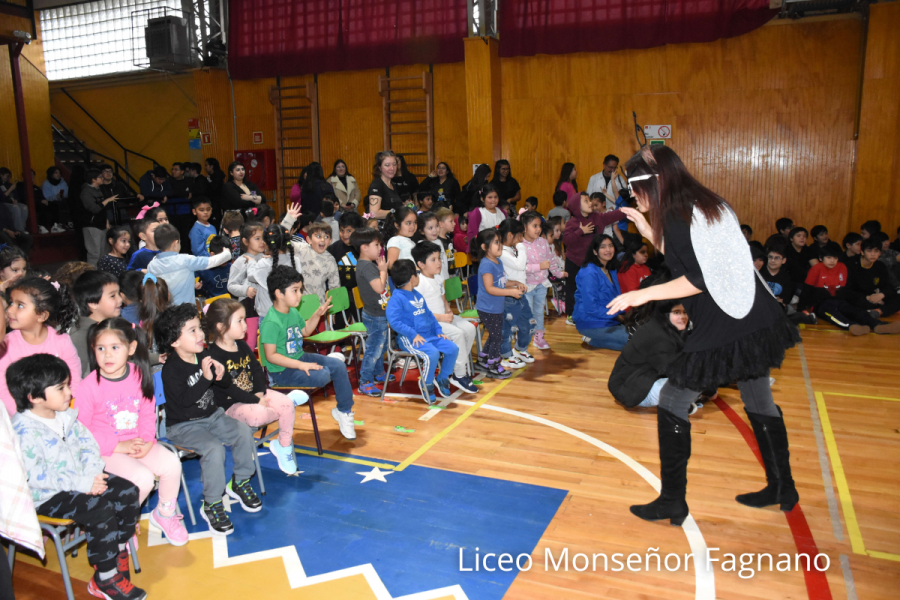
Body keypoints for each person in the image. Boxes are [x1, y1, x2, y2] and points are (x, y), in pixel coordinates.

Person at [607, 145, 801, 526]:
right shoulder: (699, 204)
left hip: (726, 322)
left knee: (673, 401)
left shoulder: (679, 216)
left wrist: (640, 293)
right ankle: (783, 486)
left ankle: (672, 501)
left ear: (655, 183)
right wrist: (649, 232)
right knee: (758, 398)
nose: (633, 195)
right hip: (755, 315)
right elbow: (692, 258)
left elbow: (696, 278)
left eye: (635, 186)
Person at [9, 355, 146, 600]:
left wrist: (93, 474)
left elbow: (89, 447)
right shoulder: (22, 430)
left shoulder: (65, 417)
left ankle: (116, 551)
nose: (69, 392)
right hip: (48, 495)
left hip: (83, 480)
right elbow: (37, 476)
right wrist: (82, 483)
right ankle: (104, 578)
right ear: (34, 397)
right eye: (61, 388)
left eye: (68, 385)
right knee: (99, 508)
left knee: (127, 492)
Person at [75, 317, 188, 546]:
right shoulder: (87, 386)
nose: (107, 355)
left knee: (171, 463)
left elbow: (148, 412)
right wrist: (118, 446)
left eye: (115, 347)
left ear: (131, 348)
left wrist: (148, 439)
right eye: (100, 348)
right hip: (105, 450)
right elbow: (82, 433)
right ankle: (122, 521)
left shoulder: (138, 373)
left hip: (137, 442)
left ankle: (164, 514)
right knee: (142, 479)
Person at [157, 302, 262, 536]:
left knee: (243, 432)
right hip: (183, 426)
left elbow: (221, 384)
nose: (201, 334)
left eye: (199, 328)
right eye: (192, 331)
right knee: (214, 449)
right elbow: (185, 400)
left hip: (212, 416)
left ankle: (240, 481)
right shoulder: (171, 369)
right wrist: (206, 379)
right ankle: (212, 503)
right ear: (175, 341)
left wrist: (221, 376)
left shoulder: (203, 354)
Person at [206, 298, 306, 475]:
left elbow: (257, 371)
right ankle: (285, 406)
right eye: (239, 321)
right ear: (221, 327)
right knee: (260, 416)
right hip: (232, 405)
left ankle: (283, 445)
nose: (245, 325)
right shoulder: (213, 356)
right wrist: (255, 400)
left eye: (244, 319)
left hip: (256, 395)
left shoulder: (242, 345)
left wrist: (259, 394)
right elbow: (229, 389)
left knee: (285, 405)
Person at [260, 266, 357, 439]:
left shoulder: (292, 312)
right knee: (323, 375)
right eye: (295, 290)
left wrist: (317, 315)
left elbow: (305, 331)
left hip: (300, 357)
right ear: (279, 293)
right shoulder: (271, 322)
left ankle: (344, 411)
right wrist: (301, 365)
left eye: (300, 290)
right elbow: (271, 356)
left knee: (338, 366)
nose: (300, 295)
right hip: (282, 372)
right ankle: (325, 364)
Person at [0, 277, 82, 416]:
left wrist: (63, 411)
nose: (9, 310)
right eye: (11, 303)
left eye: (20, 305)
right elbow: (4, 391)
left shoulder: (61, 341)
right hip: (21, 417)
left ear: (42, 315)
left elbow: (74, 381)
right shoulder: (5, 344)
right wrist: (26, 416)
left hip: (59, 412)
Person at [387, 259, 459, 404]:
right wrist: (413, 334)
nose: (418, 276)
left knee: (452, 348)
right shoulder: (396, 298)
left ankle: (442, 378)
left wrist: (438, 330)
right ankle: (426, 383)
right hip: (410, 339)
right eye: (417, 273)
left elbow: (429, 315)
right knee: (432, 354)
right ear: (411, 278)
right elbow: (394, 322)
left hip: (429, 335)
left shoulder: (417, 295)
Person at [412, 243, 479, 394]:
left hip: (443, 317)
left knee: (469, 328)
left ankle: (456, 370)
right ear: (421, 264)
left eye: (439, 258)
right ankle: (460, 374)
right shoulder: (418, 283)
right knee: (458, 334)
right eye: (433, 260)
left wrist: (448, 310)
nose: (439, 262)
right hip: (430, 323)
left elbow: (441, 296)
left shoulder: (437, 277)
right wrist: (441, 317)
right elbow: (418, 313)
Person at [608, 299, 691, 409]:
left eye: (685, 312)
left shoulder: (667, 327)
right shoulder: (659, 336)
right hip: (629, 389)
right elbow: (671, 370)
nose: (683, 317)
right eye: (676, 312)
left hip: (643, 378)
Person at [798, 244, 897, 335]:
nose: (832, 261)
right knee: (833, 314)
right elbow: (807, 289)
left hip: (839, 300)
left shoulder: (842, 267)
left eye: (835, 258)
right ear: (821, 258)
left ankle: (878, 325)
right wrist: (801, 309)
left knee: (855, 311)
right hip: (821, 303)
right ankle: (851, 326)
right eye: (828, 258)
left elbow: (844, 289)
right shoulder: (816, 269)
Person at [561, 191, 624, 324]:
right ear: (577, 206)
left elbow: (614, 215)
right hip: (574, 262)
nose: (590, 203)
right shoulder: (572, 223)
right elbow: (566, 240)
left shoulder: (598, 217)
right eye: (586, 201)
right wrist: (580, 231)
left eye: (590, 200)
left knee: (592, 289)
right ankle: (572, 314)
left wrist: (630, 211)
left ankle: (593, 313)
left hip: (591, 263)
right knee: (572, 288)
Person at [470, 228, 521, 379]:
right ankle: (493, 365)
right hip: (487, 308)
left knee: (494, 335)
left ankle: (483, 358)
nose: (499, 246)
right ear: (484, 247)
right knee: (497, 336)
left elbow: (501, 282)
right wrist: (511, 292)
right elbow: (490, 288)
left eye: (499, 242)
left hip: (496, 307)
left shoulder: (497, 262)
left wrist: (515, 284)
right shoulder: (486, 265)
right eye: (495, 243)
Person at [147, 224, 231, 305]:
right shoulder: (185, 260)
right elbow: (211, 262)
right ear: (176, 243)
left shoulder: (152, 265)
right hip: (187, 311)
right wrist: (226, 253)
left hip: (165, 312)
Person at [352, 228, 391, 396]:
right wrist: (383, 270)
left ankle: (378, 372)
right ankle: (365, 381)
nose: (380, 248)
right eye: (377, 245)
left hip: (379, 313)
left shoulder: (368, 265)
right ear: (364, 247)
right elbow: (380, 287)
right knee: (374, 349)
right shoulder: (367, 267)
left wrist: (383, 271)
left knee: (380, 346)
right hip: (375, 315)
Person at [573, 235, 628, 350]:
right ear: (595, 251)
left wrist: (623, 313)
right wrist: (617, 316)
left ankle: (594, 341)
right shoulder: (589, 272)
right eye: (603, 247)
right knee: (635, 341)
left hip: (609, 319)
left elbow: (615, 297)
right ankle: (593, 338)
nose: (608, 250)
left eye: (610, 246)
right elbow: (591, 308)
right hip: (591, 322)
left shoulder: (611, 268)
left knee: (636, 344)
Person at [520, 211, 565, 350]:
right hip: (526, 285)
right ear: (524, 227)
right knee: (526, 313)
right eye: (534, 226)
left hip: (541, 284)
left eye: (539, 225)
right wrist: (538, 266)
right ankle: (523, 339)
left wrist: (558, 273)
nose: (538, 229)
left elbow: (551, 260)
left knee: (539, 311)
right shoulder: (519, 245)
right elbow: (519, 267)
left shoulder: (543, 242)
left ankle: (539, 338)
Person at [69, 270, 123, 377]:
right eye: (112, 296)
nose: (120, 299)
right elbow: (78, 376)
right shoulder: (80, 337)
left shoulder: (114, 326)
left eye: (119, 294)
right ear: (93, 303)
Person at [497, 218, 535, 368]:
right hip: (509, 297)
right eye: (520, 236)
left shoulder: (512, 250)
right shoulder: (502, 253)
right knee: (508, 328)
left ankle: (520, 349)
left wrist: (518, 247)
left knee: (529, 323)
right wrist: (521, 246)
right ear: (511, 235)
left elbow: (521, 265)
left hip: (520, 295)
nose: (522, 239)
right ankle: (505, 356)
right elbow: (520, 265)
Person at [759, 243, 817, 325]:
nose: (773, 260)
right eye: (770, 257)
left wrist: (780, 302)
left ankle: (802, 317)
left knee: (781, 311)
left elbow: (786, 299)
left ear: (784, 261)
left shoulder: (787, 278)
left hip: (778, 306)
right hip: (761, 305)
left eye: (777, 258)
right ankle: (803, 317)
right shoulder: (760, 274)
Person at [247, 224, 296, 319]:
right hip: (290, 312)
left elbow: (251, 276)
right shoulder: (295, 261)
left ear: (265, 243)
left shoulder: (263, 264)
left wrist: (251, 262)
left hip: (268, 315)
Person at [846, 237, 900, 318]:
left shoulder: (880, 265)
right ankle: (879, 309)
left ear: (880, 253)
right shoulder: (850, 265)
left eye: (876, 251)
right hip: (859, 296)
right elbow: (847, 290)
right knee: (851, 300)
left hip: (875, 296)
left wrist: (882, 295)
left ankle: (878, 312)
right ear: (862, 252)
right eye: (869, 251)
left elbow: (887, 285)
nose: (873, 254)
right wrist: (868, 298)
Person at [291, 222, 340, 303]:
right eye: (318, 236)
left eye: (326, 237)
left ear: (330, 241)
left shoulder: (330, 260)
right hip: (296, 304)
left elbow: (335, 287)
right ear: (309, 239)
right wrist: (290, 219)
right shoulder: (301, 249)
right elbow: (281, 238)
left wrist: (332, 311)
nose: (322, 240)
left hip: (318, 305)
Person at [81, 168, 116, 266]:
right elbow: (94, 209)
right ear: (93, 179)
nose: (102, 179)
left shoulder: (99, 190)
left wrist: (106, 221)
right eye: (100, 177)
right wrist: (107, 200)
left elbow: (102, 210)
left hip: (102, 224)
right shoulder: (86, 192)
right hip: (92, 225)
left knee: (104, 252)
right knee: (94, 253)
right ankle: (92, 276)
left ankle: (103, 274)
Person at [366, 151, 403, 220]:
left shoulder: (393, 185)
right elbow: (374, 213)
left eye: (394, 164)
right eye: (387, 165)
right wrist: (398, 213)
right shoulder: (376, 185)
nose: (392, 168)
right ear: (379, 167)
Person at [199, 235, 232, 299]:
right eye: (223, 256)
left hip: (231, 302)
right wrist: (199, 288)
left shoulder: (232, 267)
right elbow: (202, 291)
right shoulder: (205, 271)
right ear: (212, 255)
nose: (225, 259)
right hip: (213, 303)